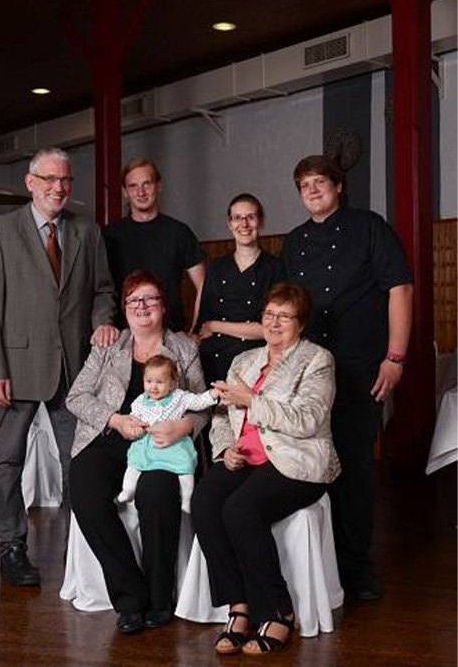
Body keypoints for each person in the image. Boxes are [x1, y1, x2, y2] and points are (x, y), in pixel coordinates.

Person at [0, 147, 118, 587]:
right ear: (30, 182)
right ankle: (11, 546)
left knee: (81, 463)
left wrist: (102, 325)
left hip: (73, 370)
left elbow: (103, 291)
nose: (59, 187)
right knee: (6, 463)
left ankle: (84, 542)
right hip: (16, 369)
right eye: (50, 179)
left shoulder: (88, 233)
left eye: (66, 180)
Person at [281, 154, 413, 600]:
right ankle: (317, 565)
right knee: (310, 462)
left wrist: (395, 357)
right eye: (304, 185)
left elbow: (400, 288)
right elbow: (285, 308)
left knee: (354, 467)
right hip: (306, 369)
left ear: (338, 187)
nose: (313, 190)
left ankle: (356, 567)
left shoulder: (370, 226)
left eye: (320, 182)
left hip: (359, 367)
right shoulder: (295, 242)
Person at [191, 282, 340, 656]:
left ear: (300, 323)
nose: (274, 323)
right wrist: (226, 448)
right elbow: (222, 414)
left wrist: (252, 401)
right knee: (206, 500)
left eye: (284, 316)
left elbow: (309, 418)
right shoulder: (245, 361)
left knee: (239, 509)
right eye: (269, 315)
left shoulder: (317, 360)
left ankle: (278, 610)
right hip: (247, 457)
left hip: (296, 461)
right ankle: (238, 606)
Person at [67, 270, 209, 634]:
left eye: (150, 299)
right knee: (84, 491)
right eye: (134, 300)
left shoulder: (184, 349)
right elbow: (76, 397)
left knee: (158, 493)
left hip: (162, 442)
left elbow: (202, 405)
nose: (142, 306)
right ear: (125, 309)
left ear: (163, 306)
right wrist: (115, 420)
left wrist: (184, 426)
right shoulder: (107, 346)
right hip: (110, 439)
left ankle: (161, 600)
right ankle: (131, 597)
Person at [103, 157, 205, 332]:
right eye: (133, 186)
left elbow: (204, 286)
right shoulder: (108, 236)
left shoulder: (179, 232)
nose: (140, 192)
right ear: (125, 192)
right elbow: (97, 290)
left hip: (171, 335)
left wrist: (195, 330)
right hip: (123, 337)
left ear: (159, 186)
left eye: (147, 184)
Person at [196, 193, 283, 385]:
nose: (244, 224)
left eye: (250, 217)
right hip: (213, 365)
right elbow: (203, 324)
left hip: (256, 366)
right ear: (229, 224)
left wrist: (216, 326)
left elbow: (270, 329)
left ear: (260, 221)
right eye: (237, 218)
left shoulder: (276, 268)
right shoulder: (215, 267)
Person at [117, 354, 219, 513]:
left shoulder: (180, 397)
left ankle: (186, 498)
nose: (153, 387)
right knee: (134, 463)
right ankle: (127, 490)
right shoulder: (140, 401)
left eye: (160, 382)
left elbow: (199, 402)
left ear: (173, 383)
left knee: (185, 467)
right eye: (149, 381)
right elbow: (134, 418)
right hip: (147, 442)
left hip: (173, 443)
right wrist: (136, 428)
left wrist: (213, 394)